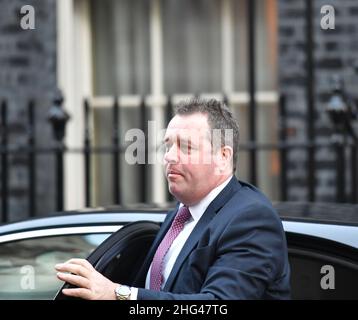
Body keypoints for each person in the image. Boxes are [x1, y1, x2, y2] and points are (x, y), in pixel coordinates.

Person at [55, 98, 290, 300]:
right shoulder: (179, 215)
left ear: (223, 156)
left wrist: (118, 293)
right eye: (167, 146)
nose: (169, 156)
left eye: (185, 147)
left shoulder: (251, 219)